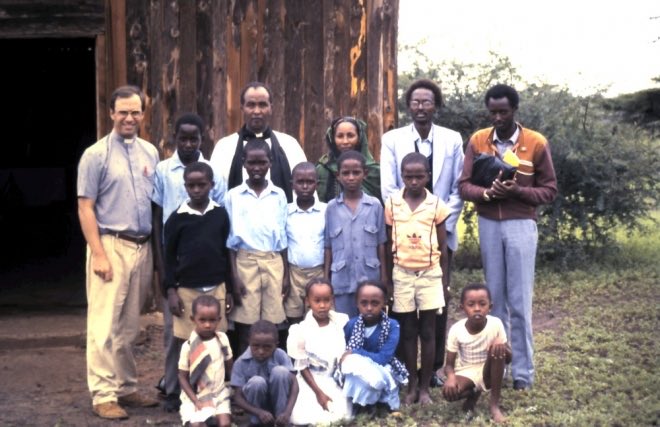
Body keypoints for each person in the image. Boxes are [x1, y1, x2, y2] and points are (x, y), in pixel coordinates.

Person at [458, 84, 557, 391]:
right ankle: (497, 371)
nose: (498, 117)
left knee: (520, 302)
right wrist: (486, 193)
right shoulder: (478, 141)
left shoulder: (535, 143)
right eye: (493, 112)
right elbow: (464, 186)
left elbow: (549, 190)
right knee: (495, 302)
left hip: (520, 224)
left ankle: (523, 375)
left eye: (503, 111)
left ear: (515, 110)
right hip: (489, 223)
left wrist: (519, 191)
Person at [77, 85, 160, 419]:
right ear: (110, 113)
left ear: (143, 113)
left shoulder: (150, 153)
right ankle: (103, 394)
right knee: (103, 324)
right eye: (122, 111)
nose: (129, 117)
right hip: (110, 244)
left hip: (142, 246)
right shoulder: (95, 155)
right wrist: (97, 253)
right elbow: (85, 207)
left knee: (129, 326)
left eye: (135, 111)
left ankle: (126, 388)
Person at [380, 78, 464, 386]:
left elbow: (457, 188)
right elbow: (388, 186)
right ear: (408, 106)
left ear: (436, 106)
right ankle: (406, 370)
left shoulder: (452, 139)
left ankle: (433, 370)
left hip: (439, 233)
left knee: (437, 301)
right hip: (403, 235)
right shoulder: (392, 139)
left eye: (427, 102)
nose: (421, 108)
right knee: (403, 307)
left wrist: (440, 223)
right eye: (415, 102)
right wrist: (407, 223)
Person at [151, 113, 226, 412]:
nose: (188, 143)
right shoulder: (164, 170)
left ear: (201, 139)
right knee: (176, 334)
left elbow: (219, 221)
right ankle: (173, 389)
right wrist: (162, 271)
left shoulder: (213, 171)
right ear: (174, 138)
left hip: (207, 262)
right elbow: (156, 219)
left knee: (211, 332)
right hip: (177, 263)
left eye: (193, 139)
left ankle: (211, 389)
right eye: (182, 138)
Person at [384, 152, 450, 405]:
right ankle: (412, 383)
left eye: (419, 176)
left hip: (430, 273)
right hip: (402, 274)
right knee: (408, 330)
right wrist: (389, 280)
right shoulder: (392, 203)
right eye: (408, 176)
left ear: (427, 177)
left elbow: (444, 247)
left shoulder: (436, 205)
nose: (413, 181)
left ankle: (425, 386)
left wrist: (444, 282)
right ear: (402, 176)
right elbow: (388, 242)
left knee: (429, 331)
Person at [224, 139, 289, 355]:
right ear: (243, 163)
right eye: (252, 163)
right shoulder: (234, 196)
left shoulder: (279, 195)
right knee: (246, 325)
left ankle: (270, 375)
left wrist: (286, 274)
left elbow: (282, 237)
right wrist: (233, 276)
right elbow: (231, 241)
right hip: (245, 262)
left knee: (272, 325)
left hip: (273, 262)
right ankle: (245, 378)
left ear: (270, 162)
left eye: (262, 163)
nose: (257, 168)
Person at [210, 81, 307, 202]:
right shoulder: (224, 147)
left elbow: (306, 187)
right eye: (251, 105)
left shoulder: (290, 145)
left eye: (262, 105)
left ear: (271, 108)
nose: (257, 111)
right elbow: (214, 193)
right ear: (242, 108)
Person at [324, 151, 387, 317]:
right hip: (341, 281)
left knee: (369, 326)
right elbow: (328, 246)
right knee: (344, 326)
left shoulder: (375, 206)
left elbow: (381, 244)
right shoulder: (331, 208)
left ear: (364, 174)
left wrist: (384, 278)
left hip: (369, 280)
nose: (351, 178)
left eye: (356, 172)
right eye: (345, 173)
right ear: (338, 175)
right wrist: (326, 279)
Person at [287, 278, 353, 425]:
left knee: (341, 415)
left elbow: (349, 348)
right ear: (307, 301)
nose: (322, 305)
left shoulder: (341, 322)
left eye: (326, 300)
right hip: (311, 381)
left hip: (335, 378)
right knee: (305, 416)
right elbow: (301, 366)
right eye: (317, 301)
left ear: (332, 300)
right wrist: (319, 393)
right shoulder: (300, 330)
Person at [442, 283, 511, 424]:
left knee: (496, 350)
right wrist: (450, 377)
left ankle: (494, 406)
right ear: (462, 308)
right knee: (448, 392)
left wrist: (500, 347)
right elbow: (448, 364)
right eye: (471, 304)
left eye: (482, 304)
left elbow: (509, 358)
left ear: (490, 307)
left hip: (491, 369)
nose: (477, 309)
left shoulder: (496, 324)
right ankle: (473, 393)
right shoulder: (456, 329)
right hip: (467, 371)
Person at [341, 280, 407, 417]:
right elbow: (345, 354)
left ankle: (376, 402)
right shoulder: (351, 325)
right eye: (364, 303)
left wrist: (356, 352)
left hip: (383, 366)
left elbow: (383, 358)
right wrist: (352, 356)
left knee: (372, 376)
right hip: (357, 367)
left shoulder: (392, 326)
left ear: (384, 303)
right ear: (357, 304)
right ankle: (362, 404)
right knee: (352, 368)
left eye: (375, 303)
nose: (369, 308)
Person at [178, 295, 233, 427]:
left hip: (218, 393)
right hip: (195, 395)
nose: (207, 325)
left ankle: (214, 415)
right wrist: (196, 401)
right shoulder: (188, 346)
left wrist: (234, 391)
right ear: (193, 319)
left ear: (219, 320)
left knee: (224, 424)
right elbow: (182, 378)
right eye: (202, 320)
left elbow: (230, 366)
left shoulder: (222, 339)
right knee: (198, 425)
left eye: (212, 320)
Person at [230, 320, 299, 426]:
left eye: (267, 347)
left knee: (280, 372)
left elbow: (294, 384)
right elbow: (237, 397)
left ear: (276, 345)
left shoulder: (280, 355)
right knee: (256, 382)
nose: (261, 351)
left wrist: (287, 412)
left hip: (280, 408)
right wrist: (258, 412)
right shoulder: (241, 362)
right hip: (256, 412)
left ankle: (281, 422)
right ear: (249, 342)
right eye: (256, 346)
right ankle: (257, 423)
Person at [284, 162, 326, 324]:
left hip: (318, 272)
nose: (305, 187)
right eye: (300, 182)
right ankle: (294, 348)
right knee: (293, 316)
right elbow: (284, 244)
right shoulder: (286, 211)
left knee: (317, 316)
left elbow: (328, 245)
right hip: (294, 272)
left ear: (317, 184)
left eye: (310, 182)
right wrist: (286, 275)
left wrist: (326, 274)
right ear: (292, 184)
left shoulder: (325, 210)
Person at [316, 117, 381, 203]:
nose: (345, 141)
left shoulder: (375, 172)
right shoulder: (323, 168)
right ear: (333, 139)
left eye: (350, 136)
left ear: (359, 138)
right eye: (340, 136)